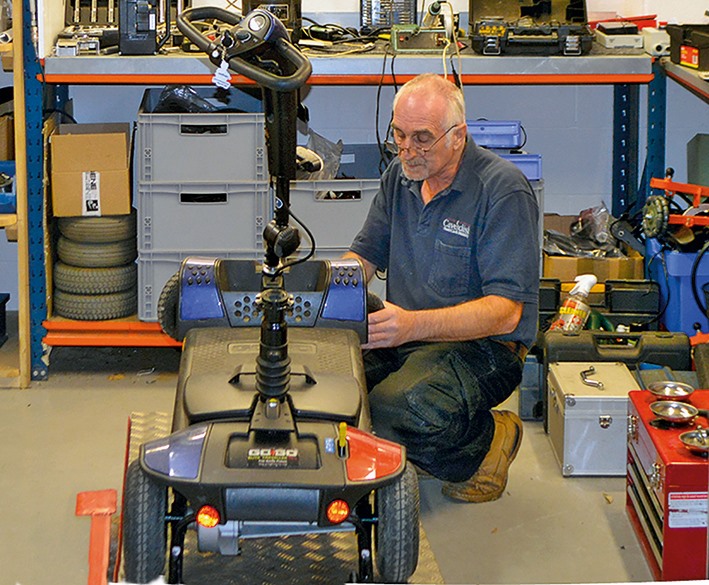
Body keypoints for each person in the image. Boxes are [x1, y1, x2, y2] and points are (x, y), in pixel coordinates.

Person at [344, 73, 539, 503]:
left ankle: (486, 444)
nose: (407, 150)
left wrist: (412, 326)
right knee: (332, 387)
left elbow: (506, 312)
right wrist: (325, 291)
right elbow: (364, 256)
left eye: (422, 138)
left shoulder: (502, 190)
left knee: (396, 410)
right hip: (406, 334)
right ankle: (421, 437)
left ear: (458, 136)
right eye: (398, 135)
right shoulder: (401, 175)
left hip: (485, 348)